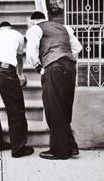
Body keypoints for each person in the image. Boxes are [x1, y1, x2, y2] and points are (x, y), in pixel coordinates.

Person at [25, 11, 82, 160]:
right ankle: (71, 146)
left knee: (53, 109)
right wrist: (64, 56)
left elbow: (30, 53)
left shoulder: (35, 29)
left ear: (32, 21)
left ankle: (59, 151)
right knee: (64, 108)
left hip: (53, 67)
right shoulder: (64, 28)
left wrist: (38, 67)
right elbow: (77, 47)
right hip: (70, 67)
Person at [0, 21, 34, 158]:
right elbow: (19, 57)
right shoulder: (17, 35)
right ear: (11, 28)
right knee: (15, 110)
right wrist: (20, 74)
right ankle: (18, 148)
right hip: (6, 70)